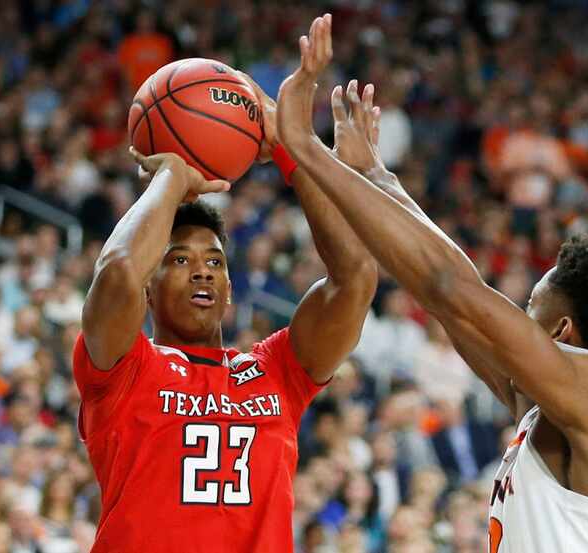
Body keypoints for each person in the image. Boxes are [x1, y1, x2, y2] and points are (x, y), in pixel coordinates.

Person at [277, 14, 588, 553]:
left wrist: (303, 147)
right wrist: (378, 177)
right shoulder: (555, 409)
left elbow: (451, 286)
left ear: (562, 328)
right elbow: (448, 305)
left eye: (528, 308)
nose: (512, 317)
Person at [72, 62, 378, 550]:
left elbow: (356, 278)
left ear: (231, 288)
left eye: (215, 262)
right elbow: (118, 273)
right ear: (148, 290)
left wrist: (288, 147)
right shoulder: (124, 368)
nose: (202, 271)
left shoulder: (275, 369)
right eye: (179, 259)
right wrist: (171, 175)